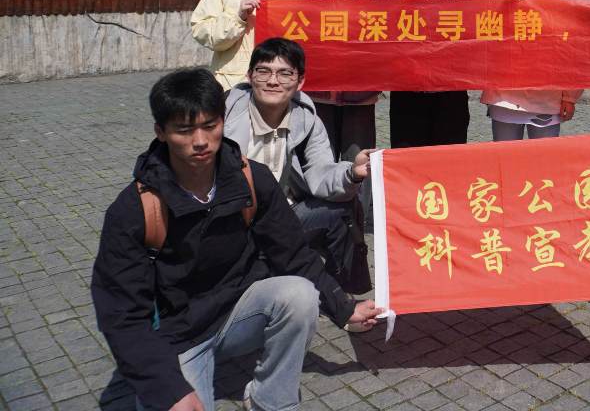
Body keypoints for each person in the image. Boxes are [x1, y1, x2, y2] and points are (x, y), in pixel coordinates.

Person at [91, 68, 381, 411]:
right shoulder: (135, 209)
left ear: (223, 121)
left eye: (210, 125)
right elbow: (122, 314)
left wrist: (344, 309)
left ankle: (269, 399)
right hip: (178, 336)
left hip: (239, 314)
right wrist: (165, 388)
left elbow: (294, 254)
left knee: (299, 294)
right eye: (184, 130)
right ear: (161, 132)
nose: (201, 140)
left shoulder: (250, 178)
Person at [224, 38, 371, 293]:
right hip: (231, 222)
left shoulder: (307, 118)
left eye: (285, 73)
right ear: (249, 76)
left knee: (344, 208)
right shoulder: (222, 116)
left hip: (284, 218)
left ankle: (346, 297)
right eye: (263, 71)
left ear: (300, 81)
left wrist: (352, 173)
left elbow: (321, 171)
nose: (273, 81)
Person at [481, 0, 582, 140]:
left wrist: (570, 97)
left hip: (546, 98)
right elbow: (485, 43)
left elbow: (572, 54)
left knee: (544, 160)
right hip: (506, 97)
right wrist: (504, 10)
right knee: (505, 158)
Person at [386, 0, 474, 148]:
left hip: (450, 93)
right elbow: (384, 41)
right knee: (408, 158)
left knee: (448, 159)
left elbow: (474, 43)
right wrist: (404, 4)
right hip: (407, 93)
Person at [304, 0, 383, 162]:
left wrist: (364, 10)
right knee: (320, 159)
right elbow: (306, 37)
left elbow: (381, 48)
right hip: (320, 94)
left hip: (361, 95)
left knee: (357, 161)